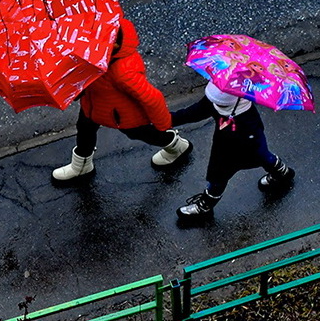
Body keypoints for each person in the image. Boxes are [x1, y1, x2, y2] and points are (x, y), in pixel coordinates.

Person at [53, 17, 192, 182]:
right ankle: (81, 165)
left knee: (141, 134)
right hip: (93, 105)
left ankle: (175, 145)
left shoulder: (123, 72)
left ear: (115, 46)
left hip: (125, 116)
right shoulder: (97, 55)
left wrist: (163, 124)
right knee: (85, 128)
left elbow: (152, 98)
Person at [171, 81, 295, 223]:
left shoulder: (245, 120)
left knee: (218, 177)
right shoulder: (223, 99)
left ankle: (206, 205)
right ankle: (282, 172)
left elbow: (196, 112)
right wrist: (166, 119)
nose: (213, 104)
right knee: (263, 156)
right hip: (237, 143)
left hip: (237, 147)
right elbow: (193, 113)